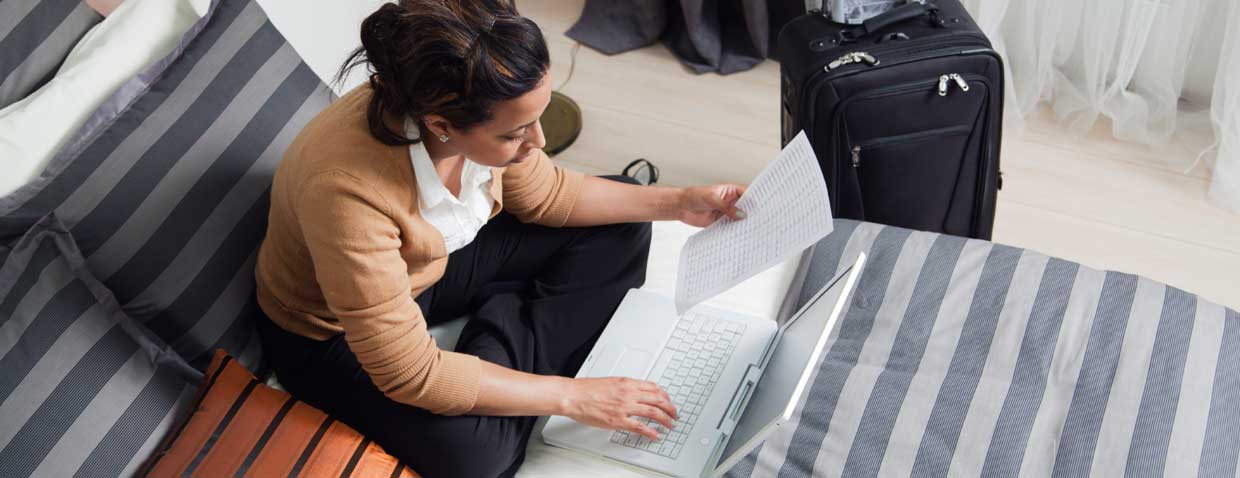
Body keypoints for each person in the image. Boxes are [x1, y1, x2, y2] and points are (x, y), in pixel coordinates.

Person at [253, 1, 747, 476]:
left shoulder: (469, 102)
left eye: (538, 117)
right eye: (514, 135)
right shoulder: (346, 194)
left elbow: (548, 195)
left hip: (428, 269)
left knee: (622, 219)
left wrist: (679, 203)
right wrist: (571, 396)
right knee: (478, 458)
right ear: (441, 126)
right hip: (331, 333)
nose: (537, 143)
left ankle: (503, 333)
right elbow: (409, 374)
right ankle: (516, 350)